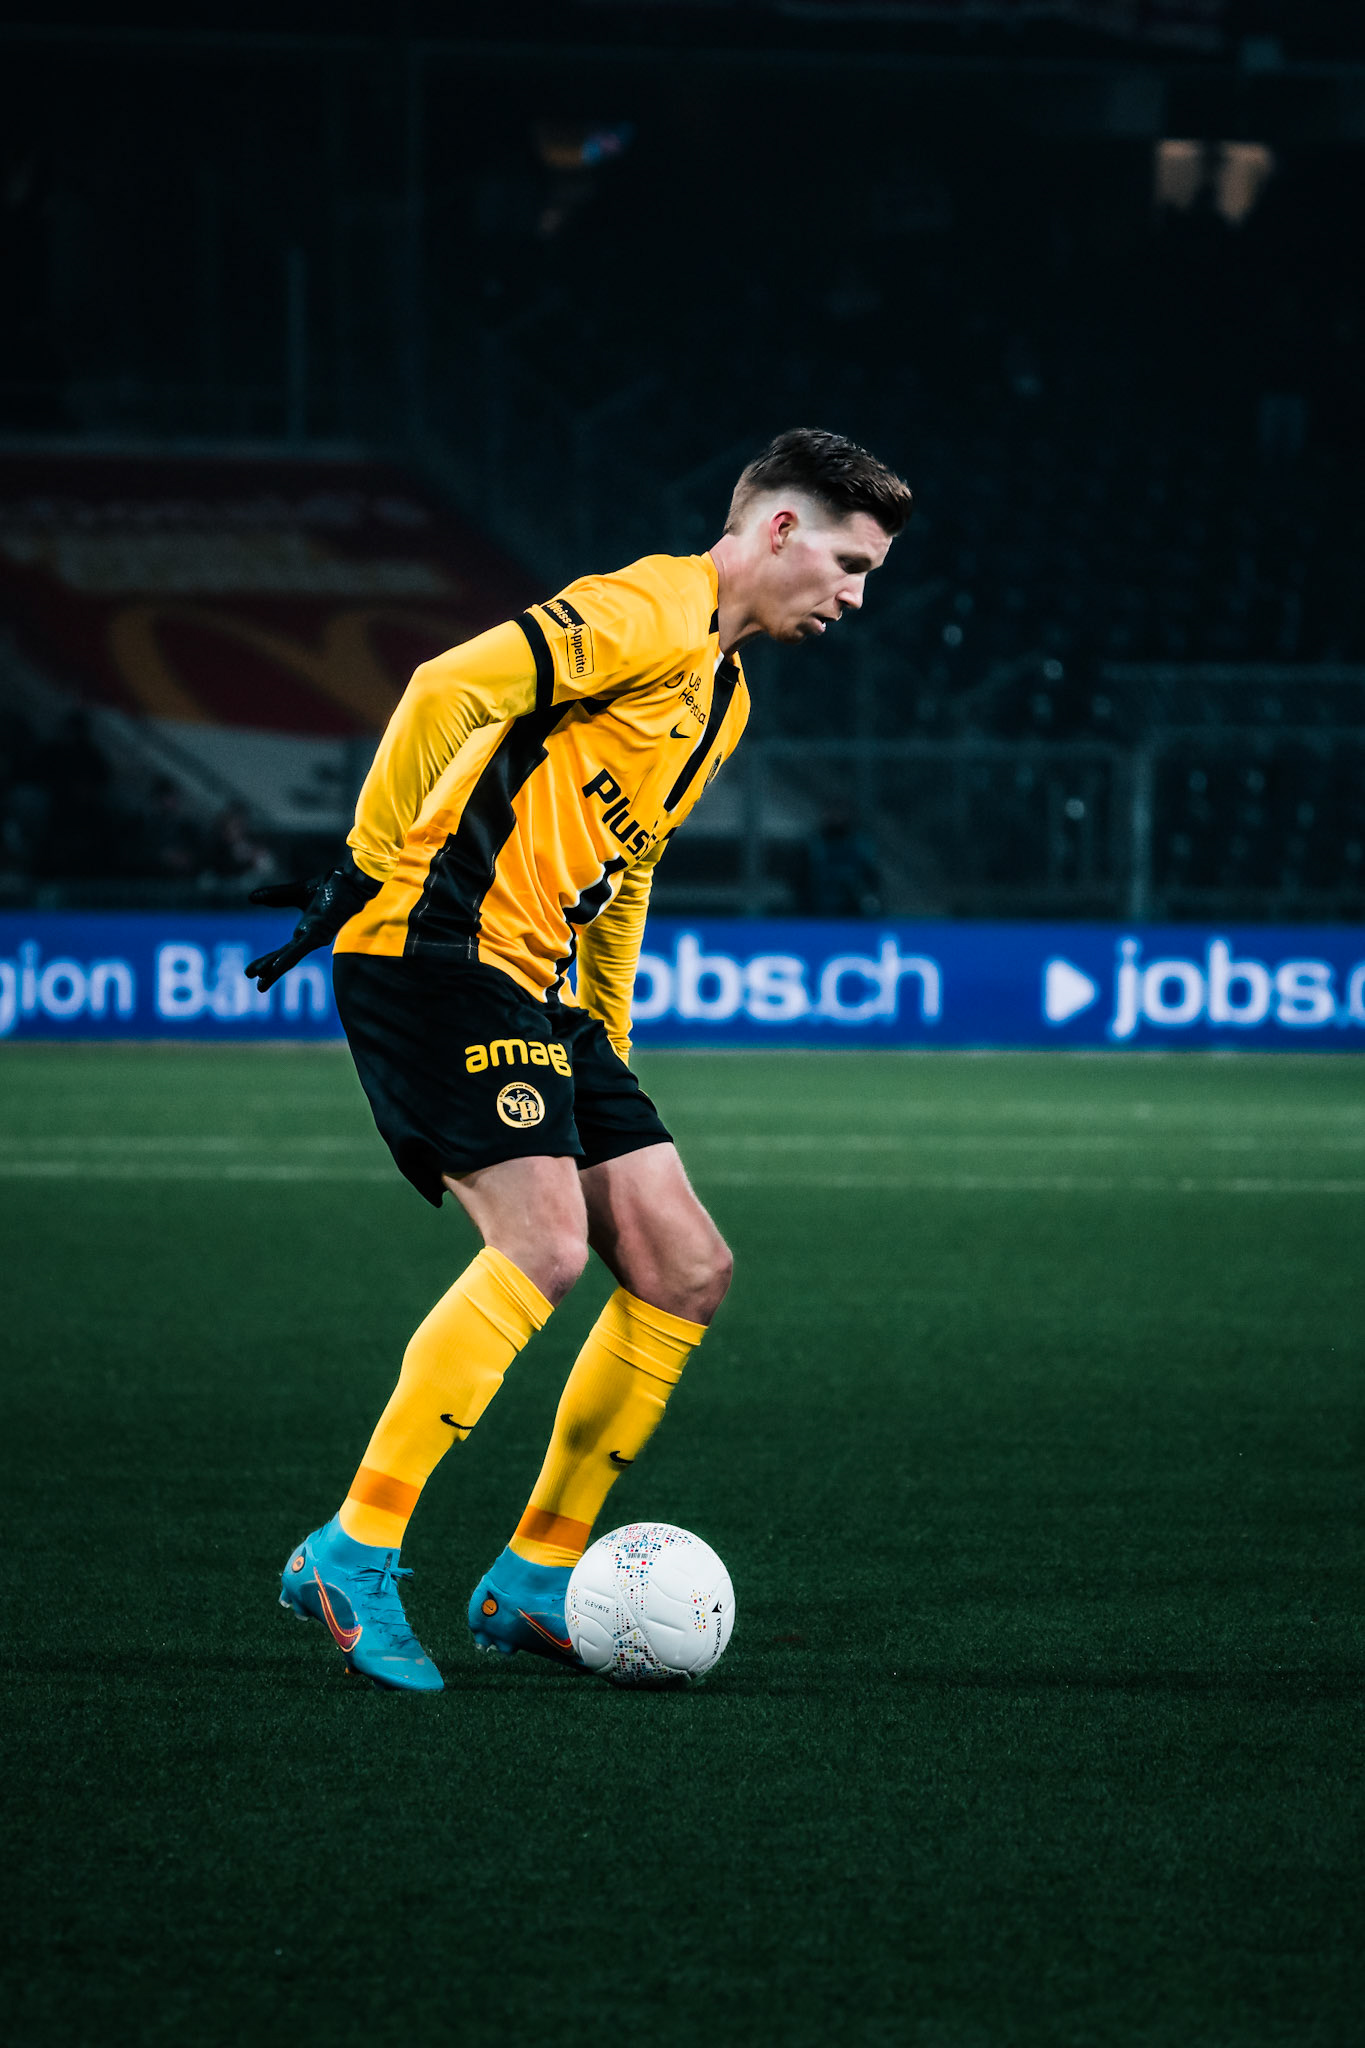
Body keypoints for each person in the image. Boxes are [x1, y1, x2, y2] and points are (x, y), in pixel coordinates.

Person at [248, 427, 912, 1692]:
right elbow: (448, 683)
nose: (854, 594)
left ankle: (534, 1574)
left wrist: (605, 1024)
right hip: (431, 949)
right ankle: (352, 1547)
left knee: (683, 1266)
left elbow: (626, 872)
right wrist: (373, 859)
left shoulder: (721, 696)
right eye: (846, 559)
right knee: (545, 1245)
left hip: (537, 984)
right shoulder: (647, 606)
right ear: (775, 529)